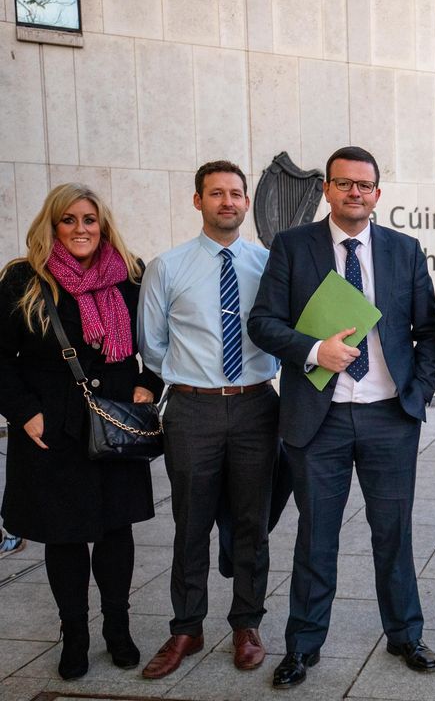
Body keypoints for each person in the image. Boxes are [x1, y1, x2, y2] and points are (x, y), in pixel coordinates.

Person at [248, 146, 435, 688]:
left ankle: (406, 635)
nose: (354, 192)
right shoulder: (293, 246)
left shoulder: (404, 250)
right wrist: (315, 351)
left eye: (364, 185)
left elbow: (429, 331)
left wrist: (419, 393)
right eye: (343, 183)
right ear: (327, 190)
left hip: (389, 416)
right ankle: (303, 647)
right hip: (320, 417)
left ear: (377, 193)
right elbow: (263, 323)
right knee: (316, 536)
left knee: (394, 534)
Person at [0, 183, 163, 680]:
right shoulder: (23, 280)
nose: (80, 229)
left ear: (102, 224)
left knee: (115, 531)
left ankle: (118, 627)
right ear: (52, 226)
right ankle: (74, 634)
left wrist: (146, 384)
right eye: (68, 220)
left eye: (88, 219)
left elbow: (155, 342)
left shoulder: (131, 276)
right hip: (52, 428)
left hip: (114, 421)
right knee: (64, 537)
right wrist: (25, 412)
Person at [138, 160, 280, 679]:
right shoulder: (168, 267)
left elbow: (287, 331)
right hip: (192, 407)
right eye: (216, 193)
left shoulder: (268, 263)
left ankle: (246, 623)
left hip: (256, 403)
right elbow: (151, 346)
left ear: (246, 202)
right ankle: (186, 628)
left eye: (236, 194)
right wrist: (192, 379)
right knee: (190, 522)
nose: (228, 202)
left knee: (252, 521)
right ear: (197, 201)